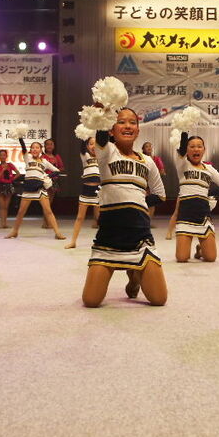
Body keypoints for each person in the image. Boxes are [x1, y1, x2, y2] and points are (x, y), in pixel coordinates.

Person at [83, 108, 168, 307]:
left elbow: (160, 195)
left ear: (138, 130)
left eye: (132, 122)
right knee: (91, 301)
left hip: (140, 236)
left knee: (159, 299)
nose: (127, 126)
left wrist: (138, 203)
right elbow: (101, 136)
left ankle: (134, 276)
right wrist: (103, 107)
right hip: (109, 236)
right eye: (121, 122)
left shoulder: (148, 161)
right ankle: (131, 269)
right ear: (111, 129)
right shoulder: (107, 151)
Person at [171, 132, 219, 262]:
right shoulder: (182, 164)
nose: (196, 149)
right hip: (185, 214)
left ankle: (200, 250)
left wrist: (207, 193)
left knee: (211, 258)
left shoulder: (209, 168)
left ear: (204, 149)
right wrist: (184, 132)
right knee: (182, 258)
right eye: (192, 146)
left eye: (199, 146)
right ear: (187, 150)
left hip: (203, 214)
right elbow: (181, 150)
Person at [6, 139, 65, 239]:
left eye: (37, 147)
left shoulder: (44, 161)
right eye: (33, 148)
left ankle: (57, 232)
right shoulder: (28, 157)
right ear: (30, 150)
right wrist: (20, 137)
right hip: (28, 188)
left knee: (48, 211)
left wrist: (47, 177)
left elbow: (57, 171)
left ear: (41, 150)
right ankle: (14, 232)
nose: (35, 149)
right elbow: (23, 148)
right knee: (21, 212)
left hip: (40, 188)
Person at [65, 135, 101, 249]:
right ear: (87, 146)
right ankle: (73, 242)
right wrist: (84, 134)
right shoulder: (85, 156)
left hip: (99, 191)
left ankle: (101, 241)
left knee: (99, 218)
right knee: (80, 217)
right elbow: (81, 147)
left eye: (95, 144)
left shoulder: (102, 157)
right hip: (86, 190)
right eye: (91, 144)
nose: (93, 146)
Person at [40, 138, 65, 228]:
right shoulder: (42, 157)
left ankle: (46, 222)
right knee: (46, 202)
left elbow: (62, 168)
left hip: (54, 181)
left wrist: (55, 168)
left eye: (51, 144)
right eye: (47, 144)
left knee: (50, 202)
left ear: (54, 146)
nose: (49, 146)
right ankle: (46, 222)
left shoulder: (56, 157)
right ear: (44, 146)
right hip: (46, 180)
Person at [143, 141, 167, 230]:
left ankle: (148, 223)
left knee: (151, 204)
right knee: (143, 203)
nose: (149, 148)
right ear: (143, 149)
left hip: (152, 185)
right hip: (143, 184)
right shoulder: (141, 158)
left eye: (150, 146)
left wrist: (156, 173)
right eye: (147, 146)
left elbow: (162, 171)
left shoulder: (156, 159)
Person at [0, 149, 18, 229]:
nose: (3, 156)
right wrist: (3, 170)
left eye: (4, 155)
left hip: (8, 186)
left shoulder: (10, 165)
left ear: (6, 156)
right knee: (2, 206)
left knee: (6, 206)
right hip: (0, 186)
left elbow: (18, 173)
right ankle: (2, 223)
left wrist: (11, 179)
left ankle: (5, 223)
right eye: (1, 155)